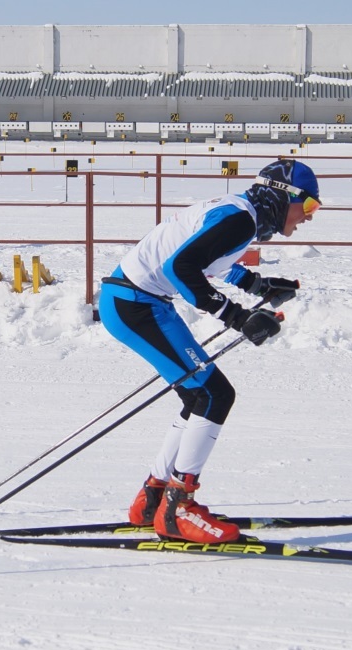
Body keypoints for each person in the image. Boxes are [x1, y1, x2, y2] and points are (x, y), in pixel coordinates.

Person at [97, 159, 321, 544]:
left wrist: (258, 286)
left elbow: (208, 260)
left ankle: (154, 498)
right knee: (216, 394)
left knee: (198, 395)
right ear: (284, 196)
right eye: (310, 206)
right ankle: (178, 508)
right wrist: (236, 316)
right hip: (137, 305)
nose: (309, 218)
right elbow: (182, 266)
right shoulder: (241, 220)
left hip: (132, 301)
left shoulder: (239, 212)